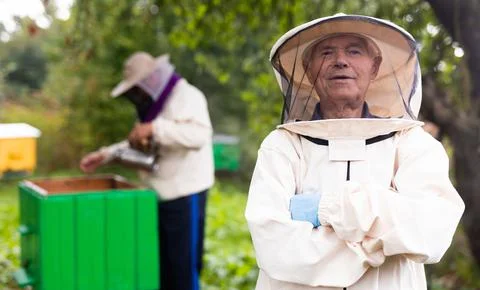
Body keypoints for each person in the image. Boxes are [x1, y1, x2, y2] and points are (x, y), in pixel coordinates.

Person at [245, 14, 465, 290]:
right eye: (326, 52)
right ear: (308, 68)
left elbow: (429, 232)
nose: (340, 60)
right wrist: (382, 243)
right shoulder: (282, 146)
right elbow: (275, 247)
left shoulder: (412, 144)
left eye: (354, 51)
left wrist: (326, 208)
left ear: (375, 67)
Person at [79, 52, 214, 290]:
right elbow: (138, 141)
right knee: (163, 267)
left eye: (136, 88)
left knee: (183, 270)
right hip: (156, 196)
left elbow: (199, 135)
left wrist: (154, 129)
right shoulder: (156, 106)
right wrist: (104, 155)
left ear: (152, 79)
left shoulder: (187, 96)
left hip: (185, 195)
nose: (135, 95)